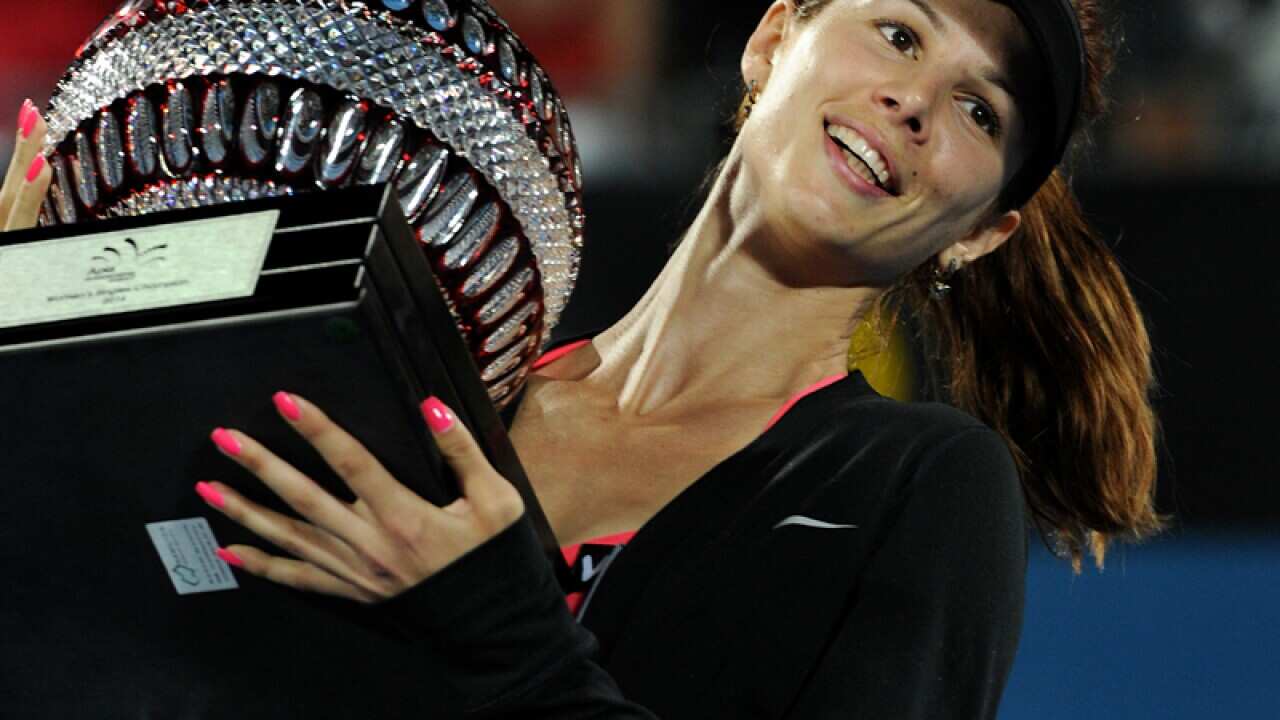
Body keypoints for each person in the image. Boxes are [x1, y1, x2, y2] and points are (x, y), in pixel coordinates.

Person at [1, 0, 1164, 717]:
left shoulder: (914, 485)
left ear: (980, 230)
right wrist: (48, 346)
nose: (912, 100)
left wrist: (502, 631)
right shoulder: (442, 383)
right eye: (898, 34)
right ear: (773, 41)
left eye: (978, 112)